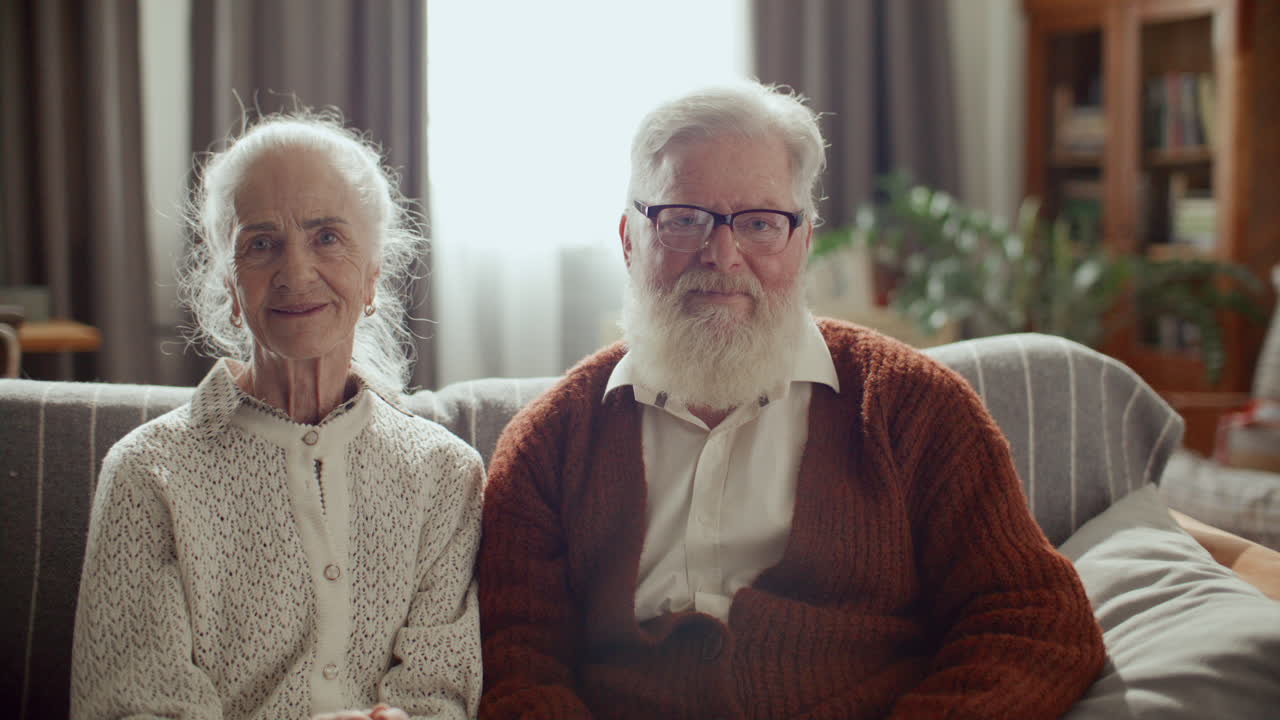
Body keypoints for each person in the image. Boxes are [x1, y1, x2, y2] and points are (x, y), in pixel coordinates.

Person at [477, 82, 1105, 720]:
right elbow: (515, 662)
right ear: (630, 239)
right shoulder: (547, 443)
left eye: (759, 223)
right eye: (684, 219)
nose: (723, 256)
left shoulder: (913, 409)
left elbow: (1033, 620)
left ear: (803, 242)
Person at [72, 114, 482, 720]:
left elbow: (441, 694)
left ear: (373, 275)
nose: (296, 273)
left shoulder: (445, 473)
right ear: (230, 284)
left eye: (327, 237)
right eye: (261, 244)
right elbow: (131, 706)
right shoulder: (148, 474)